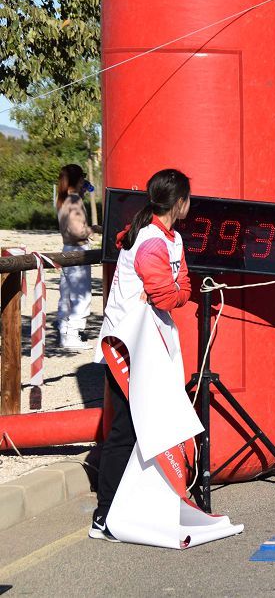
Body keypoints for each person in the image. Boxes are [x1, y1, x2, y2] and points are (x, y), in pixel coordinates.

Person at [90, 169, 193, 541]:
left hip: (149, 345)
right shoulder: (150, 241)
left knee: (143, 429)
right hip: (127, 347)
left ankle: (129, 507)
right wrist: (174, 291)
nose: (190, 204)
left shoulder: (171, 237)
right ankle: (103, 517)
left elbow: (183, 286)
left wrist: (175, 291)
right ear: (179, 202)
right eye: (188, 198)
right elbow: (171, 295)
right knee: (124, 431)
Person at [56, 164, 94, 349]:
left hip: (66, 248)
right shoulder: (74, 201)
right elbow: (78, 230)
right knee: (81, 294)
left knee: (66, 293)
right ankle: (73, 333)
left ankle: (64, 330)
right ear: (79, 180)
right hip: (78, 251)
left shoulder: (63, 199)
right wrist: (92, 230)